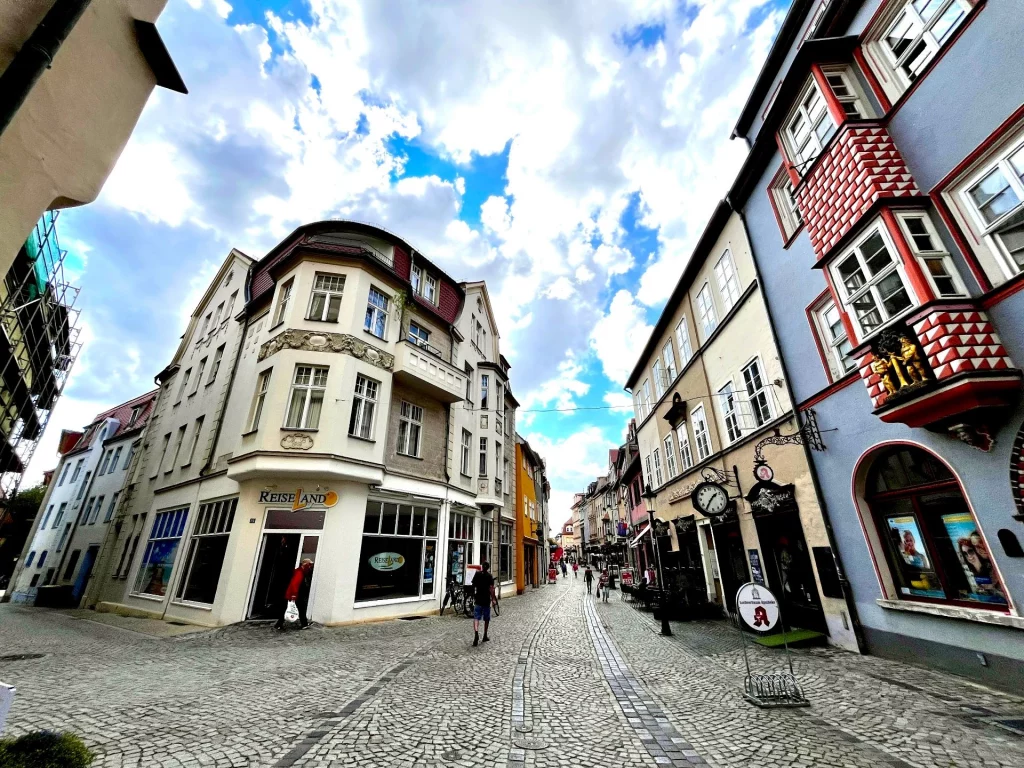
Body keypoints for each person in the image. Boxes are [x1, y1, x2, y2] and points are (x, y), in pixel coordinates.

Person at [275, 558, 314, 630]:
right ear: (305, 564)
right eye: (309, 565)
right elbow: (295, 584)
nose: (310, 567)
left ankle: (279, 624)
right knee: (300, 608)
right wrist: (293, 595)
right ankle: (304, 624)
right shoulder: (299, 573)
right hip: (296, 595)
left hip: (294, 594)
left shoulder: (300, 571)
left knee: (287, 608)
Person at [471, 560, 496, 647]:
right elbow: (491, 589)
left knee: (476, 618)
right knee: (486, 619)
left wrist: (474, 595)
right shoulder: (489, 576)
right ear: (488, 568)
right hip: (486, 600)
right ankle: (485, 635)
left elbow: (473, 585)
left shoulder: (477, 574)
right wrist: (493, 599)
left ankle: (476, 633)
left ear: (482, 566)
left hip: (478, 599)